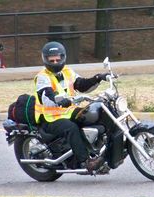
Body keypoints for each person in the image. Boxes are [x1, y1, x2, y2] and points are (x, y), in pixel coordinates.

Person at [33, 41, 108, 172]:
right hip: (50, 118)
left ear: (63, 57)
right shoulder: (42, 77)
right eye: (52, 60)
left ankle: (102, 149)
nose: (56, 62)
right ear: (45, 60)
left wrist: (98, 77)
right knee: (71, 128)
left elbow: (81, 84)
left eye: (58, 59)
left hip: (68, 111)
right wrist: (59, 100)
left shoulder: (68, 71)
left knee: (95, 114)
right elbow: (47, 94)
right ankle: (86, 162)